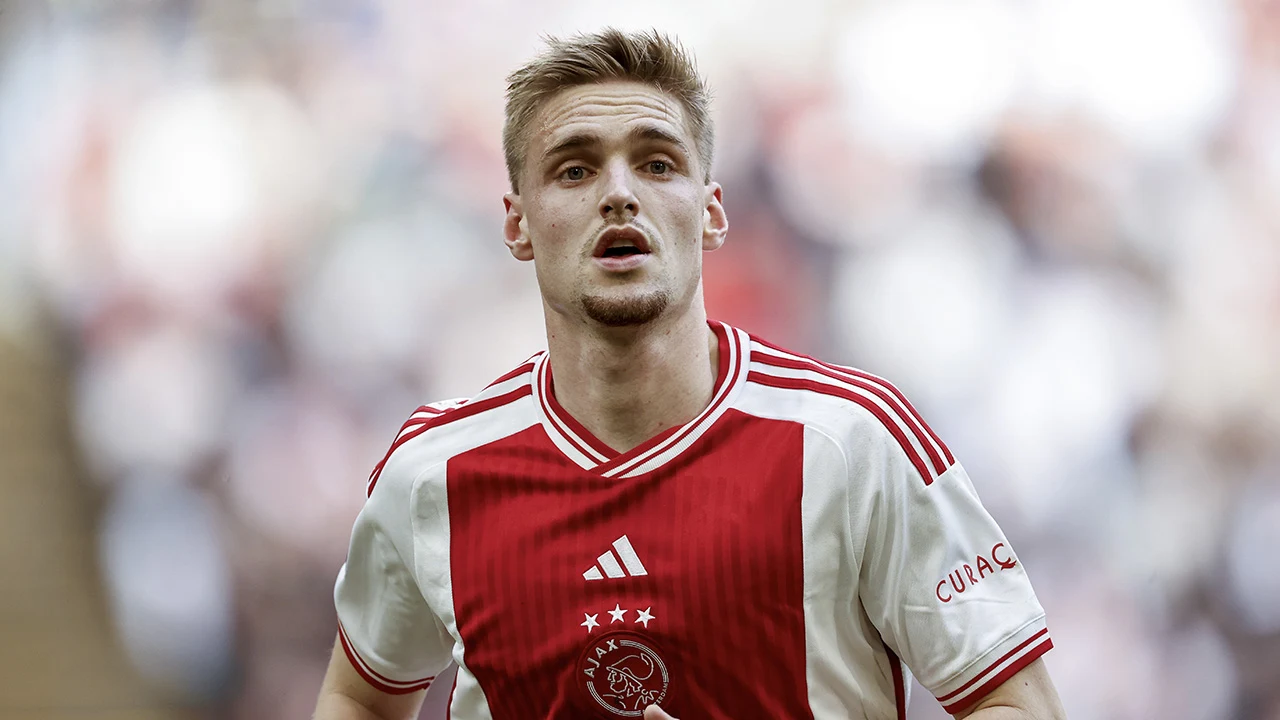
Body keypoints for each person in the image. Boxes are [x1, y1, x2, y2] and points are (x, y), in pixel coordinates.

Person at [313, 28, 1067, 720]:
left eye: (657, 164)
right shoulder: (434, 471)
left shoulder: (852, 442)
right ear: (518, 223)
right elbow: (359, 697)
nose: (619, 193)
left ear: (710, 213)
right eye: (575, 169)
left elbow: (1020, 705)